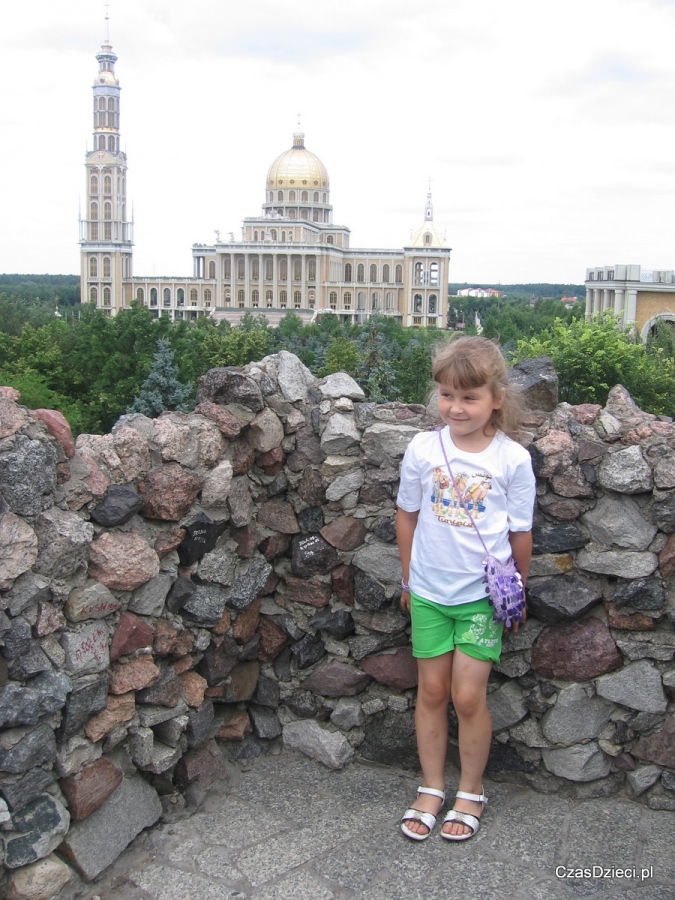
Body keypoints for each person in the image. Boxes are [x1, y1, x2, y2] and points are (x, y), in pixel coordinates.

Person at [396, 336, 535, 842]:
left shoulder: (512, 460)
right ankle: (433, 786)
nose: (456, 407)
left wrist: (518, 589)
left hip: (480, 597)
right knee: (431, 690)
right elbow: (407, 515)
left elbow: (520, 533)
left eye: (470, 397)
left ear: (496, 398)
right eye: (447, 395)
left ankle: (471, 789)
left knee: (467, 695)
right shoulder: (422, 449)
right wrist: (409, 579)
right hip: (430, 591)